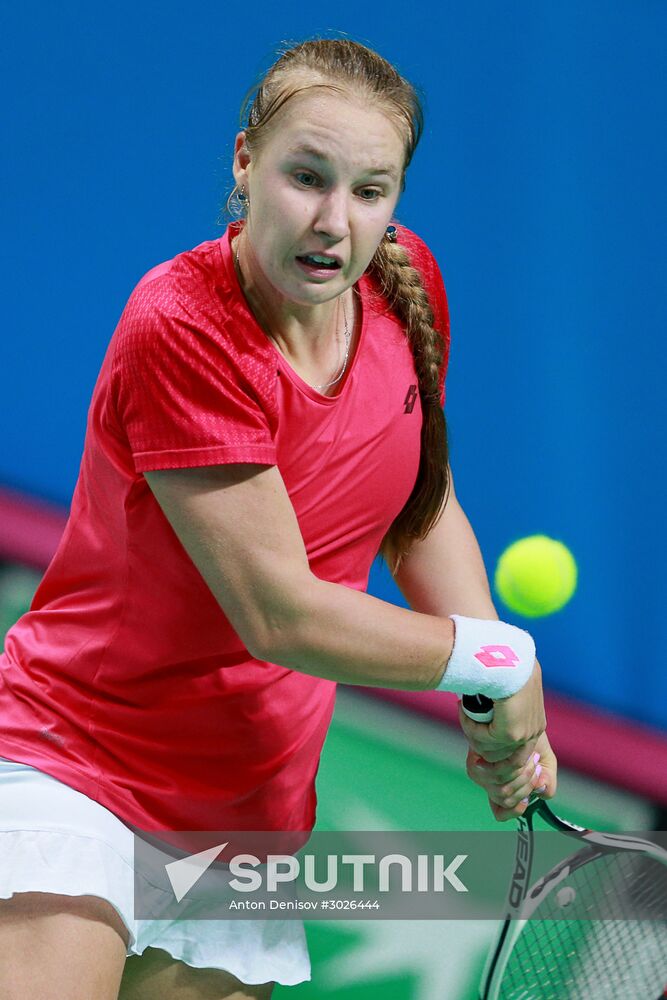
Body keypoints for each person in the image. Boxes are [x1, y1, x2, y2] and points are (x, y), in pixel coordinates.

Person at [0, 37, 557, 1000]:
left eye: (370, 191)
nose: (334, 223)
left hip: (250, 813)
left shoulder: (402, 284)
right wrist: (496, 662)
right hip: (82, 765)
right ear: (245, 161)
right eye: (307, 176)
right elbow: (281, 614)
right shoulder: (183, 324)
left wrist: (495, 708)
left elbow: (421, 513)